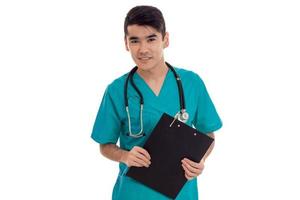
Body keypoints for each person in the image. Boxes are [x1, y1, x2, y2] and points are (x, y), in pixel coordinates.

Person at [91, 5, 222, 200]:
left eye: (151, 39)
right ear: (126, 44)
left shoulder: (192, 83)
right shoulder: (116, 90)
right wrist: (124, 156)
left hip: (181, 193)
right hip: (132, 193)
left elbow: (207, 133)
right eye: (134, 41)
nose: (143, 49)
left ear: (165, 39)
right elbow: (105, 145)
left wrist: (200, 159)